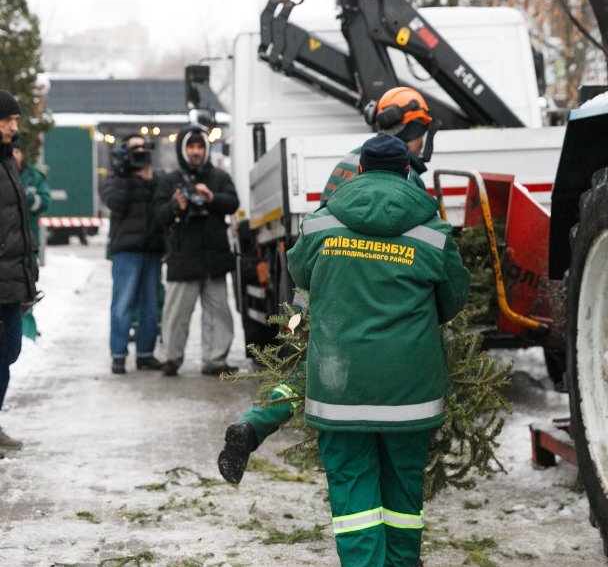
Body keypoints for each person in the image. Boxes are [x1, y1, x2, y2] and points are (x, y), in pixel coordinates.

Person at [218, 86, 438, 485]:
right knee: (323, 367)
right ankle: (256, 425)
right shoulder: (400, 175)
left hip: (318, 282)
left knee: (307, 365)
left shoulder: (351, 163)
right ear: (411, 127)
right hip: (361, 287)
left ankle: (255, 423)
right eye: (422, 128)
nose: (424, 138)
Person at [287, 134, 470, 567]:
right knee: (404, 502)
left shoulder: (320, 225)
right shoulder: (434, 231)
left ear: (361, 170)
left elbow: (301, 274)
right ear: (407, 171)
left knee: (354, 503)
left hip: (338, 389)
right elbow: (453, 298)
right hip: (411, 394)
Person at [154, 125, 239, 377]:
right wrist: (175, 206)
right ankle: (171, 358)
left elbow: (233, 203)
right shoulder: (170, 181)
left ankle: (215, 360)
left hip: (214, 257)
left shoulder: (219, 178)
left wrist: (211, 197)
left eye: (200, 146)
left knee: (219, 312)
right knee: (176, 314)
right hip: (183, 257)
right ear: (183, 149)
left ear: (206, 149)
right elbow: (158, 215)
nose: (195, 151)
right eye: (191, 147)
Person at [99, 134, 165, 375]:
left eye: (142, 148)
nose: (139, 153)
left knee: (150, 305)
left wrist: (149, 182)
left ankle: (145, 354)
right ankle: (118, 355)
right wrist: (127, 175)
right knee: (123, 304)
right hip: (126, 252)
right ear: (125, 152)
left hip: (152, 249)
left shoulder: (156, 178)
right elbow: (116, 203)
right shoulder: (115, 178)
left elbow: (162, 207)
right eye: (134, 149)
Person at [0, 90, 38, 451]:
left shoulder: (9, 160)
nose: (14, 127)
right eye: (8, 120)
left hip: (12, 279)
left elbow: (19, 223)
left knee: (8, 353)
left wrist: (30, 269)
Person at [12, 138, 51, 342]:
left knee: (27, 289)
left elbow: (45, 201)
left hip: (28, 244)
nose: (15, 156)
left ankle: (27, 331)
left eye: (18, 152)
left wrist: (26, 198)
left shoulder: (33, 177)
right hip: (7, 246)